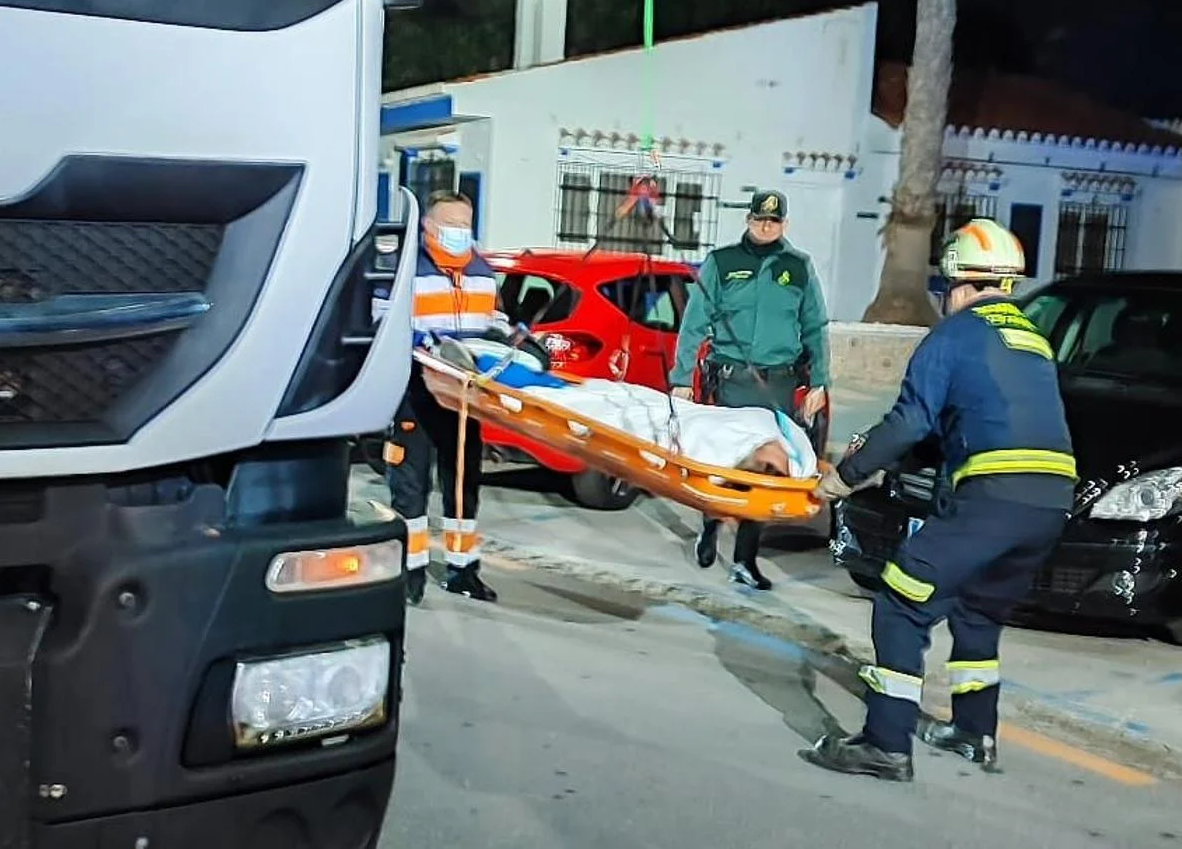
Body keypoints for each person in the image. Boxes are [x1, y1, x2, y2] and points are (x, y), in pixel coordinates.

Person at [801, 218, 1075, 782]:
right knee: (977, 608)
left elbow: (911, 420)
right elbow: (976, 422)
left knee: (901, 598)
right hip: (1050, 503)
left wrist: (846, 475)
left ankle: (885, 743)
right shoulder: (1031, 339)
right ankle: (975, 732)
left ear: (961, 282)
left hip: (994, 497)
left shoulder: (952, 335)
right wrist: (894, 465)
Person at [669, 189, 830, 591]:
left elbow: (815, 327)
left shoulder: (798, 266)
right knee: (725, 463)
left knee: (767, 470)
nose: (765, 226)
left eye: (773, 221)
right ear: (748, 219)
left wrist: (821, 382)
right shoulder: (723, 262)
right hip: (732, 380)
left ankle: (744, 559)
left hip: (779, 383)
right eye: (760, 219)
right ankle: (710, 525)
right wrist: (681, 378)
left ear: (784, 225)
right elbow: (693, 324)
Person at [378, 189, 500, 604]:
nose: (460, 233)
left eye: (466, 225)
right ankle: (408, 571)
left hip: (464, 395)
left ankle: (463, 570)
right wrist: (418, 341)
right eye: (452, 225)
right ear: (428, 227)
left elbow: (492, 321)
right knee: (410, 485)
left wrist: (507, 338)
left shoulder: (483, 272)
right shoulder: (406, 267)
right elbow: (380, 315)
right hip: (415, 389)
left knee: (463, 484)